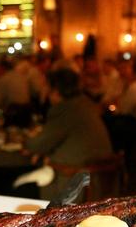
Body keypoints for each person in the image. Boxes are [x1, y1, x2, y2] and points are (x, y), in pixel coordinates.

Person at [25, 68, 113, 200]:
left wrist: (24, 139)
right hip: (103, 176)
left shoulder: (65, 109)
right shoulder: (85, 103)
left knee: (27, 181)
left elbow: (37, 145)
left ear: (55, 91)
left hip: (75, 182)